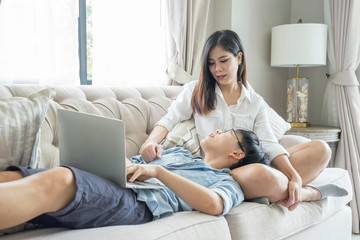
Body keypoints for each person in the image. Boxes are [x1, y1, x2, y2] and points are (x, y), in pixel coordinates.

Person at [141, 29, 347, 211]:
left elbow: (268, 144)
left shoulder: (254, 101)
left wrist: (294, 177)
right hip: (222, 173)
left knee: (321, 149)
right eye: (211, 63)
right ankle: (309, 193)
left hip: (254, 163)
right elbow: (169, 120)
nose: (217, 69)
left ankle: (283, 189)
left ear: (239, 58)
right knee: (262, 173)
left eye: (224, 61)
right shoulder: (196, 91)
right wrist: (151, 142)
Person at [0, 129, 270, 230]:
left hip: (139, 202)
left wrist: (160, 172)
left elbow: (213, 205)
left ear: (237, 153)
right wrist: (127, 161)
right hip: (118, 181)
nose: (217, 130)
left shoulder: (227, 181)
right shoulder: (178, 152)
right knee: (11, 176)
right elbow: (136, 166)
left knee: (61, 180)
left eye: (227, 132)